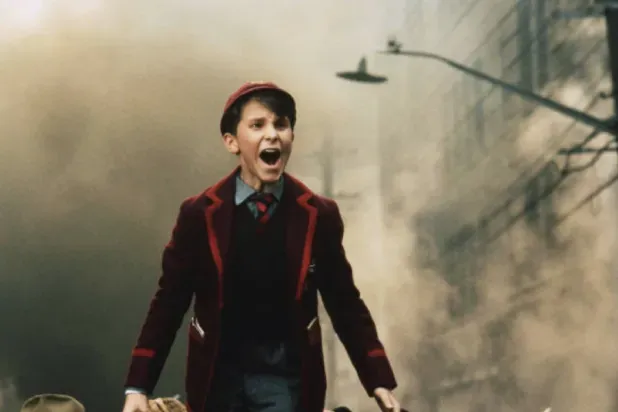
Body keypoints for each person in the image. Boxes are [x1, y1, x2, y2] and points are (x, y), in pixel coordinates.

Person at [122, 81, 400, 412]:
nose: (272, 135)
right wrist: (138, 386)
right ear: (232, 142)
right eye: (257, 125)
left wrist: (378, 379)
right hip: (217, 379)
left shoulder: (318, 215)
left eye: (281, 124)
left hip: (285, 379)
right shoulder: (199, 214)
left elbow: (345, 303)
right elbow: (169, 302)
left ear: (291, 136)